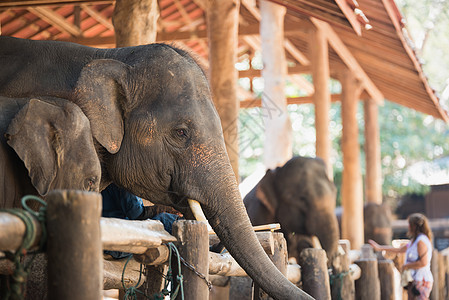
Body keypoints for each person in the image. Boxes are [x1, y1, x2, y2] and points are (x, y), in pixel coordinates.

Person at [101, 183, 182, 258]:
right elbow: (137, 215)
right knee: (165, 219)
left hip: (115, 239)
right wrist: (163, 209)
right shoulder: (122, 185)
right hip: (116, 243)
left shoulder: (119, 185)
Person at [369, 213, 433, 299]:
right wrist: (379, 248)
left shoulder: (421, 241)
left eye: (410, 225)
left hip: (421, 279)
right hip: (414, 280)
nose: (408, 227)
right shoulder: (414, 241)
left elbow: (423, 263)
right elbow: (399, 250)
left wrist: (406, 266)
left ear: (414, 226)